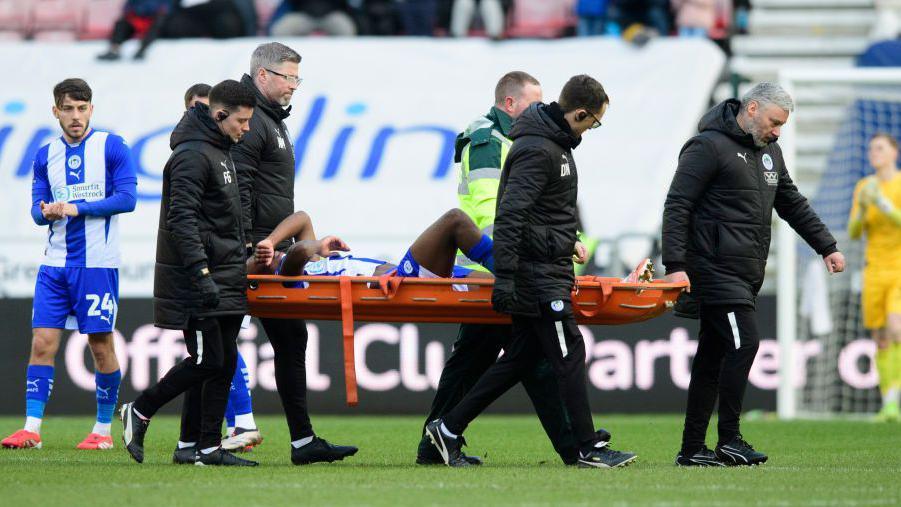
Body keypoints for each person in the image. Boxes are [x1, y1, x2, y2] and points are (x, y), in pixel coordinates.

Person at [425, 75, 637, 469]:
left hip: (543, 268)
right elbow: (509, 216)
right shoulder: (539, 149)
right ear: (579, 113)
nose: (591, 130)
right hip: (535, 275)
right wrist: (506, 277)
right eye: (593, 122)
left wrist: (566, 240)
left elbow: (543, 213)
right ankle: (586, 447)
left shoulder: (552, 145)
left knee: (520, 360)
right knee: (569, 354)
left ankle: (447, 428)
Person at [662, 82, 846, 467]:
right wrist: (675, 266)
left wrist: (826, 246)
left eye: (782, 125)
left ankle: (692, 448)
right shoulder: (707, 146)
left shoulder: (770, 153)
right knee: (744, 343)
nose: (778, 131)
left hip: (744, 272)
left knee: (711, 359)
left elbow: (791, 202)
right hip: (712, 270)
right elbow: (677, 205)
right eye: (774, 122)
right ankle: (729, 438)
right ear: (752, 109)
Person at [120, 79, 258, 467]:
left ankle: (208, 448)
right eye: (242, 121)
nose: (246, 129)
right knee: (206, 359)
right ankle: (141, 409)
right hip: (203, 277)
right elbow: (181, 218)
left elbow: (224, 216)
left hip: (228, 273)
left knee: (225, 361)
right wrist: (200, 272)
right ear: (219, 115)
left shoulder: (221, 150)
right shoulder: (192, 156)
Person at [232, 42, 358, 465]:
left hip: (270, 250)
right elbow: (239, 188)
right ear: (263, 75)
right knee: (214, 349)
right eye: (289, 77)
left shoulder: (270, 121)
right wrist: (250, 247)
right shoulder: (252, 123)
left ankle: (303, 442)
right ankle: (156, 419)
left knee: (288, 338)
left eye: (297, 78)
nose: (294, 86)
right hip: (255, 255)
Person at [1, 79, 137, 451]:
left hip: (97, 266)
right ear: (56, 111)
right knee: (42, 342)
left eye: (82, 108)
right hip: (54, 264)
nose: (75, 116)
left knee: (100, 346)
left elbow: (127, 198)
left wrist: (77, 207)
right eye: (68, 109)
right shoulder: (45, 155)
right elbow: (35, 208)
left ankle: (102, 431)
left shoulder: (112, 146)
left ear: (91, 109)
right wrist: (44, 212)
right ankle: (31, 429)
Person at [249, 208, 496, 281]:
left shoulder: (314, 262)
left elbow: (302, 217)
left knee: (498, 284)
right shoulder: (290, 273)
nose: (268, 254)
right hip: (404, 281)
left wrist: (270, 240)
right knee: (455, 220)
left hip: (407, 273)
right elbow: (299, 249)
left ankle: (520, 278)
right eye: (262, 259)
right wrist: (318, 244)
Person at [848, 133, 901, 422]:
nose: (874, 153)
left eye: (880, 148)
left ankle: (894, 400)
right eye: (871, 148)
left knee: (897, 328)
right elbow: (854, 232)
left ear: (894, 152)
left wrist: (882, 204)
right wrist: (865, 209)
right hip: (874, 269)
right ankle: (889, 405)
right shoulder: (864, 187)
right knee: (880, 337)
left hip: (899, 267)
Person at [270, 0, 358, 36]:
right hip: (304, 16)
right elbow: (288, 3)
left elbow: (345, 5)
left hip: (330, 16)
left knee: (346, 28)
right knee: (281, 30)